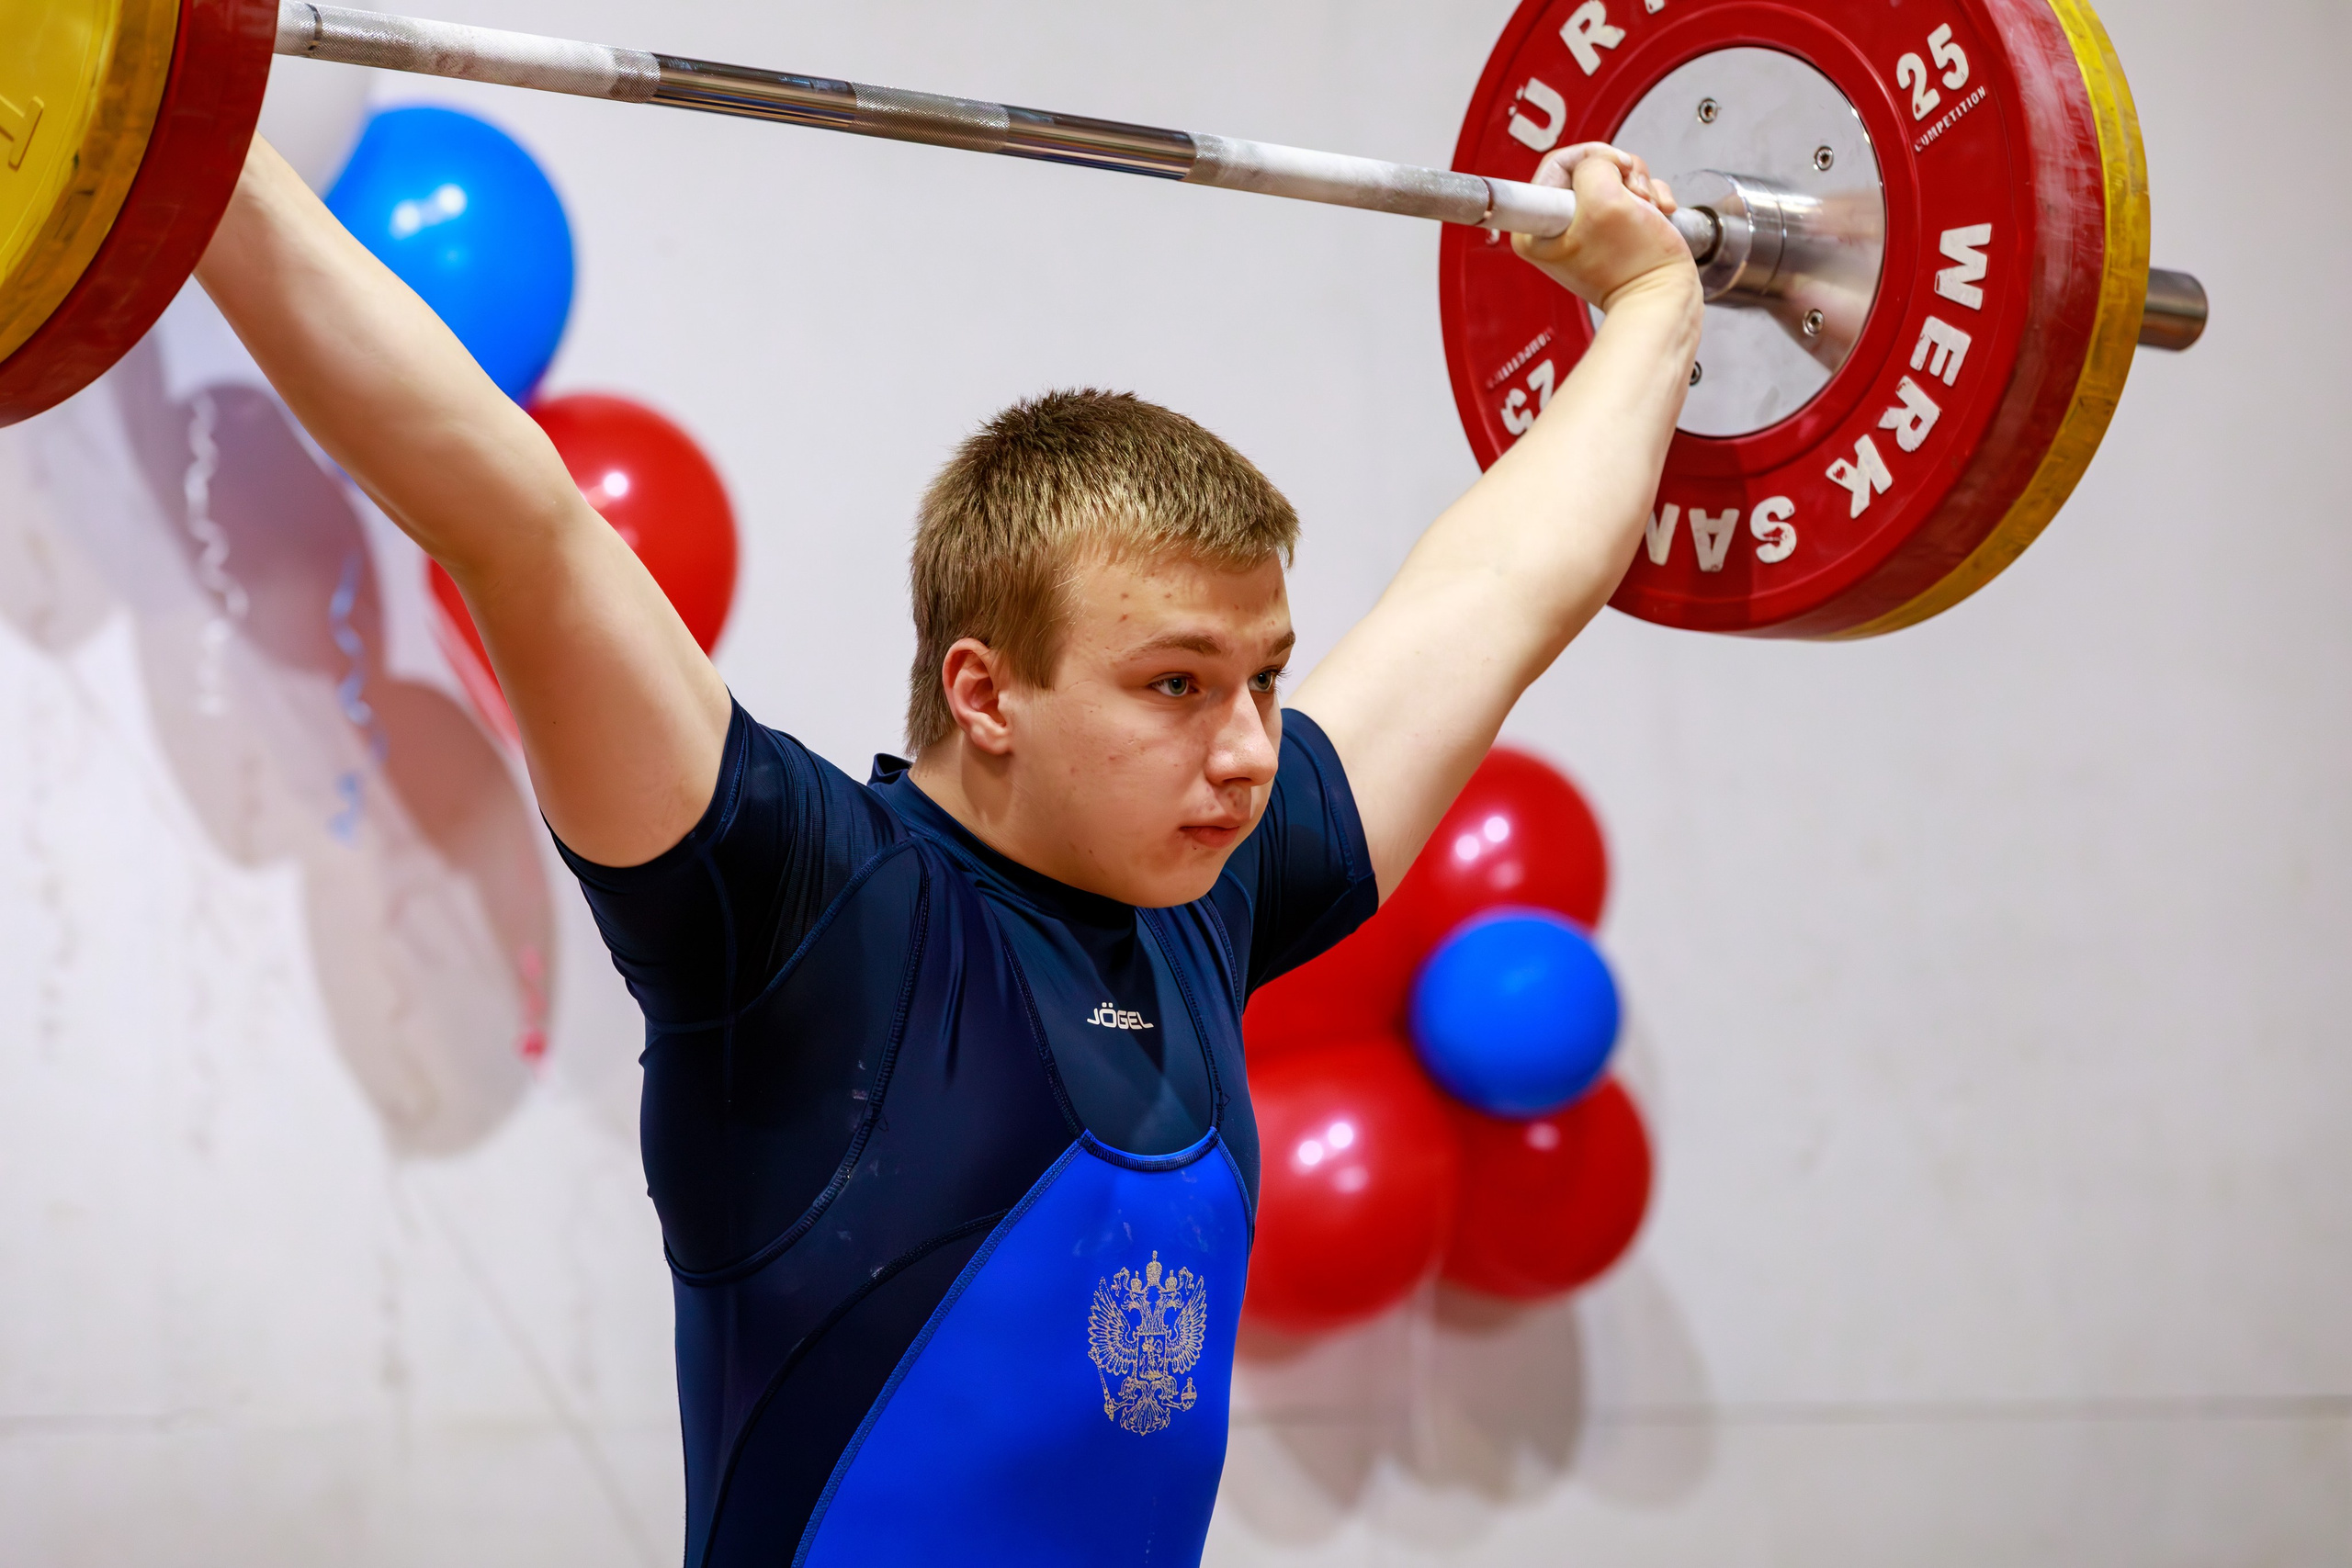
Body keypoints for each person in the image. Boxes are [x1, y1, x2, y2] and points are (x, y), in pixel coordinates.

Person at [195, 130, 1699, 1564]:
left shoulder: (1213, 895)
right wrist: (190, 142)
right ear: (985, 692)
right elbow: (519, 524)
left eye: (1264, 681)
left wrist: (1648, 302)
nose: (1246, 750)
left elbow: (1503, 587)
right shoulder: (797, 916)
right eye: (1175, 685)